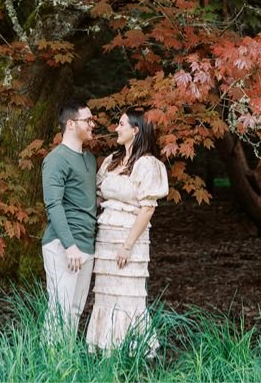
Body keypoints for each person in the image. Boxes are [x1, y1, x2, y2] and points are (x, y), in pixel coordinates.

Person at [86, 108, 169, 355]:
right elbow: (99, 197)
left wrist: (127, 246)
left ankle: (130, 352)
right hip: (106, 240)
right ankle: (105, 349)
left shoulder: (147, 164)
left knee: (127, 296)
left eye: (121, 124)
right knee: (105, 294)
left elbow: (147, 209)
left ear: (136, 129)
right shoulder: (111, 161)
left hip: (129, 241)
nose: (116, 128)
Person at [41, 100, 98, 337]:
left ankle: (67, 364)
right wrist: (69, 245)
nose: (93, 124)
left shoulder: (89, 159)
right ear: (71, 124)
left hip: (87, 244)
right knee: (60, 309)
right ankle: (50, 365)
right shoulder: (56, 159)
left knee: (75, 310)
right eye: (89, 120)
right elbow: (53, 205)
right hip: (63, 245)